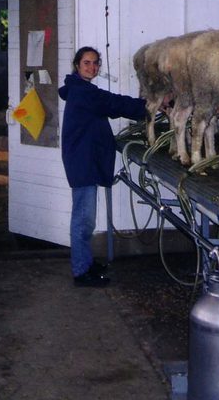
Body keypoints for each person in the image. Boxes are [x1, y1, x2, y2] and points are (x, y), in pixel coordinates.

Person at [59, 46, 146, 287]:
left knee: (86, 218)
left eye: (96, 63)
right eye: (87, 63)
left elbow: (108, 106)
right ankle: (81, 272)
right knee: (83, 219)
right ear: (77, 65)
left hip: (85, 160)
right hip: (82, 163)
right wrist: (150, 106)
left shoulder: (81, 89)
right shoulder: (82, 91)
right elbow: (113, 103)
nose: (92, 67)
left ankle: (86, 262)